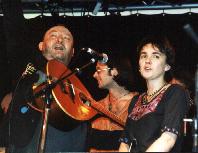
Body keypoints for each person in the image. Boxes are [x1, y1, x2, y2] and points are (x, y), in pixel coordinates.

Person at [0, 25, 88, 153]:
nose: (59, 40)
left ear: (73, 52)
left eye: (66, 38)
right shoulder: (28, 78)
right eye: (53, 35)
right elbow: (11, 118)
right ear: (41, 46)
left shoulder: (78, 89)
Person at [119, 35, 189, 152]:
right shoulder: (136, 100)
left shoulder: (175, 92)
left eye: (156, 56)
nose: (148, 60)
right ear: (139, 66)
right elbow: (125, 143)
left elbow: (168, 139)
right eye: (144, 55)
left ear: (166, 66)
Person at [87, 52, 138, 152]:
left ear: (114, 71)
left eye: (98, 70)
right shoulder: (95, 107)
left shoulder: (140, 105)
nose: (94, 75)